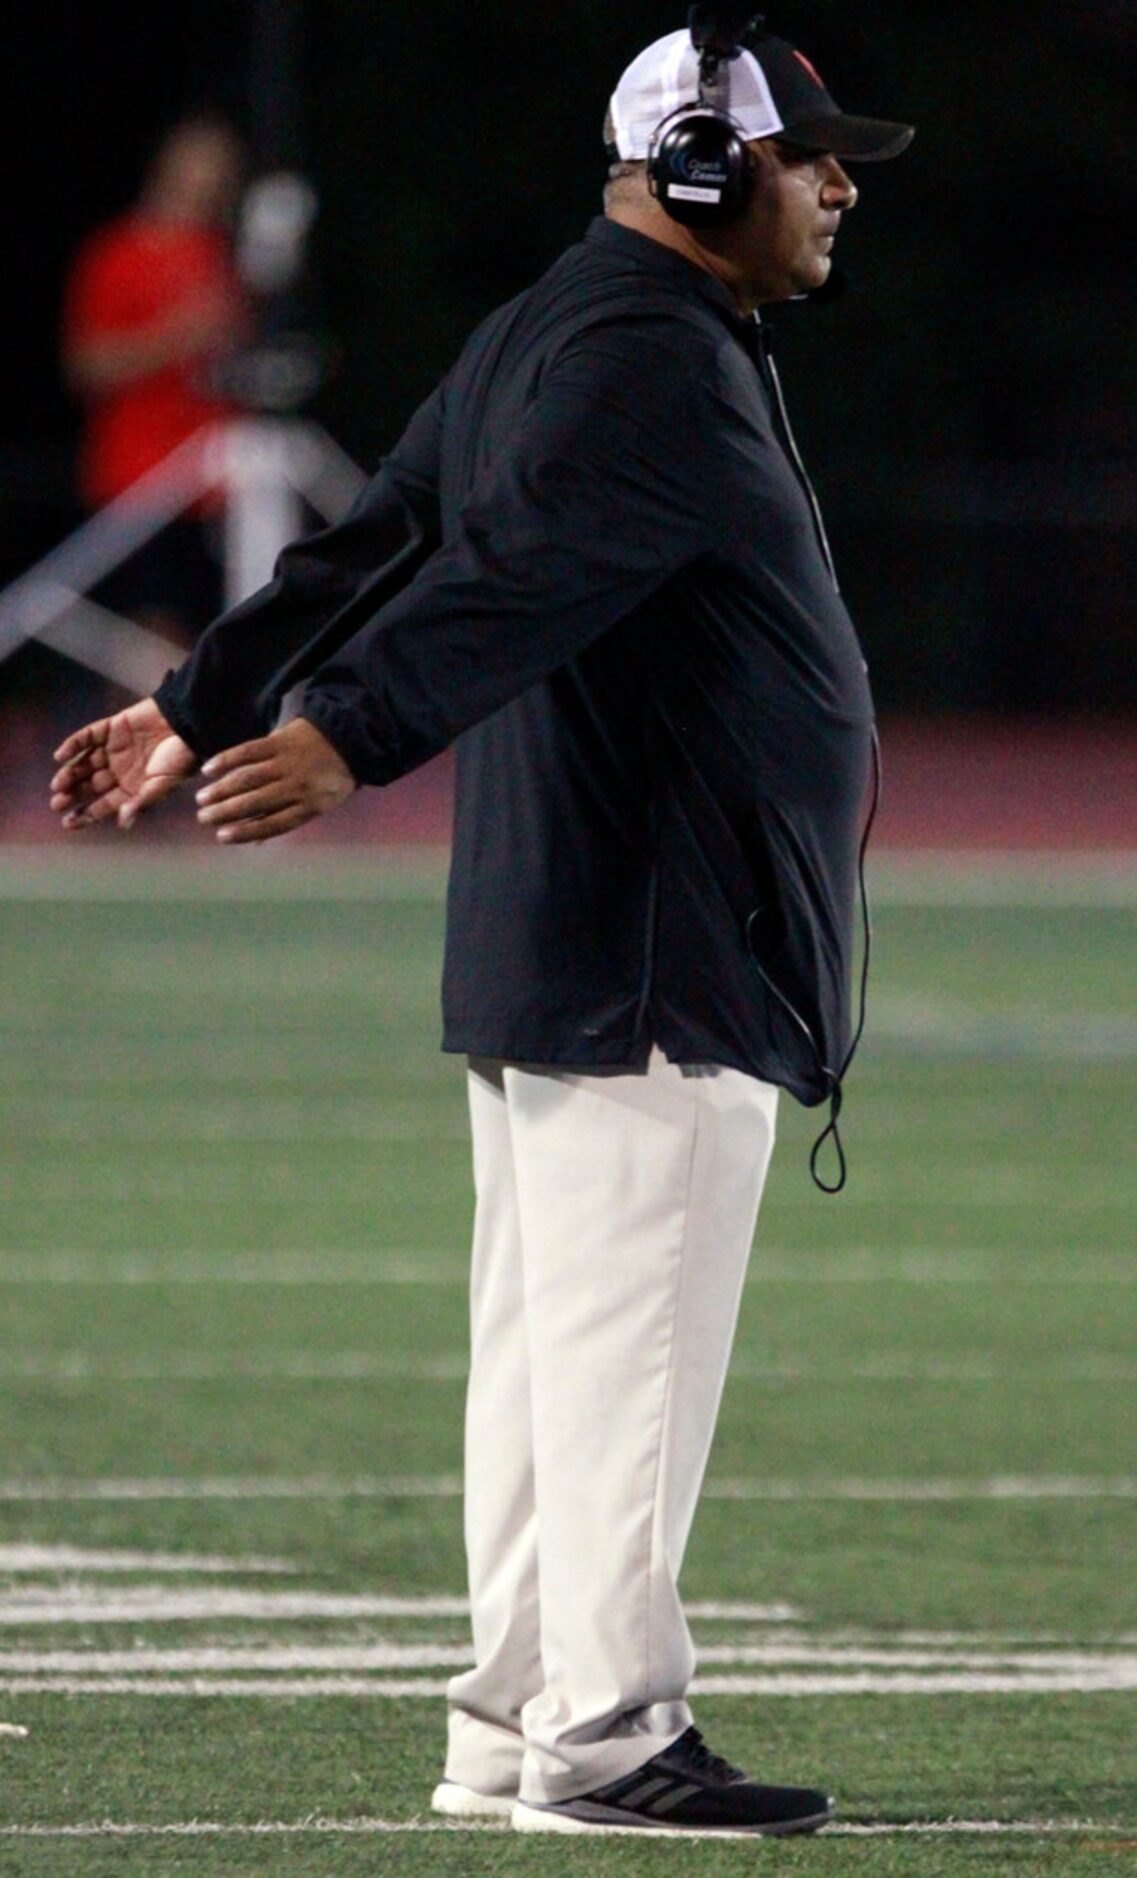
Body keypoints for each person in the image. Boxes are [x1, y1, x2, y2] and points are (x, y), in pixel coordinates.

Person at [50, 10, 913, 1840]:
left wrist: (201, 695)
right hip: (656, 941)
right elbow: (504, 579)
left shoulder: (561, 322)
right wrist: (332, 732)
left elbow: (373, 536)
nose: (837, 183)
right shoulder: (646, 358)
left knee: (547, 1364)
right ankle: (606, 1735)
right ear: (698, 165)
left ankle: (517, 1719)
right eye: (807, 150)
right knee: (620, 1368)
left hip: (578, 931)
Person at [61, 115, 250, 637]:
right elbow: (86, 365)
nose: (213, 176)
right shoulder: (116, 253)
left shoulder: (222, 256)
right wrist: (175, 338)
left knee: (225, 637)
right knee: (146, 646)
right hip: (139, 481)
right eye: (202, 160)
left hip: (220, 483)